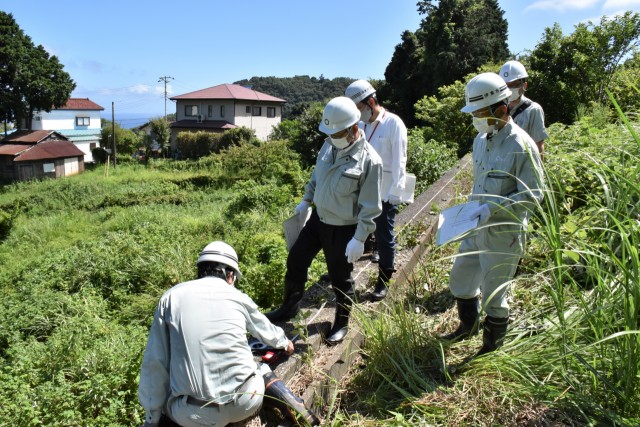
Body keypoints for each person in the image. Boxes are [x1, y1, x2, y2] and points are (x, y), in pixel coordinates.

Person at [138, 241, 319, 427]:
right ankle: (291, 401)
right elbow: (264, 328)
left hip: (192, 415)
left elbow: (155, 362)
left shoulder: (170, 297)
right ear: (230, 274)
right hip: (245, 403)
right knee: (260, 369)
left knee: (168, 394)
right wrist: (285, 343)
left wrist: (152, 419)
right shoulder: (238, 298)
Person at [441, 73, 544, 357]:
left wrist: (493, 209)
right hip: (476, 226)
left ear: (501, 109)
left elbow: (534, 193)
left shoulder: (521, 145)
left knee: (496, 295)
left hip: (503, 233)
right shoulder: (480, 139)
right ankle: (467, 327)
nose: (475, 118)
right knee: (461, 279)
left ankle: (490, 348)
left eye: (480, 113)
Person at [265, 96, 382, 345]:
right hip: (318, 219)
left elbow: (371, 207)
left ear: (354, 128)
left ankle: (341, 321)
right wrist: (306, 200)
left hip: (343, 228)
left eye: (338, 133)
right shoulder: (329, 144)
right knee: (296, 259)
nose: (333, 137)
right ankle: (290, 307)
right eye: (330, 133)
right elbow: (317, 175)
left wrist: (360, 238)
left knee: (340, 277)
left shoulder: (370, 161)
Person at [344, 79, 408, 301]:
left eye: (359, 108)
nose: (358, 114)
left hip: (386, 192)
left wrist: (395, 194)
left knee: (384, 236)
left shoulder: (393, 123)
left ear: (371, 101)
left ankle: (384, 280)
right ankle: (345, 273)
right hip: (364, 191)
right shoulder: (361, 126)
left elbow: (400, 159)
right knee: (354, 232)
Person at [499, 60, 549, 160]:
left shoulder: (533, 110)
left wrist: (538, 173)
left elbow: (539, 146)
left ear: (524, 85)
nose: (510, 88)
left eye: (514, 84)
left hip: (522, 168)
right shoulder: (499, 109)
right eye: (507, 85)